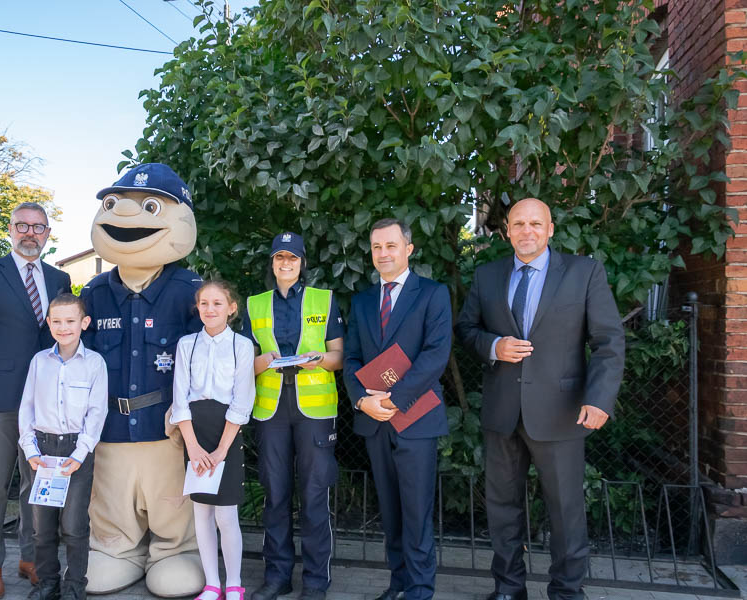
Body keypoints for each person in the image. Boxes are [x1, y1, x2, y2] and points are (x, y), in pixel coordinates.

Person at [455, 198, 625, 600]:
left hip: (561, 412)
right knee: (502, 508)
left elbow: (608, 341)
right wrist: (494, 345)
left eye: (535, 223)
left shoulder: (583, 272)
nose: (526, 230)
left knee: (566, 510)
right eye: (518, 224)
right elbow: (466, 329)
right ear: (506, 231)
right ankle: (509, 588)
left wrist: (600, 399)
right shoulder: (487, 276)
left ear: (550, 229)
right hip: (502, 412)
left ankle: (567, 591)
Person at [80, 163, 205, 596]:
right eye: (115, 205)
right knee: (111, 502)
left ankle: (176, 550)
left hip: (165, 430)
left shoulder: (192, 292)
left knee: (172, 502)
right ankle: (116, 548)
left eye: (150, 207)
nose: (127, 217)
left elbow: (213, 362)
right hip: (109, 429)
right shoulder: (94, 293)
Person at [0, 202, 72, 599]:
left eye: (38, 227)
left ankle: (30, 557)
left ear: (48, 234)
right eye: (22, 225)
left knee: (34, 482)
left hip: (44, 402)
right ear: (10, 229)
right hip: (0, 399)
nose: (30, 233)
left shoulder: (60, 278)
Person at [343, 218, 452, 600]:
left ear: (408, 248)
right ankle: (399, 582)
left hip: (417, 419)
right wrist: (362, 400)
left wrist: (394, 398)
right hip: (375, 421)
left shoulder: (433, 294)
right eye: (376, 247)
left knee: (416, 512)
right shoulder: (360, 301)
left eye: (390, 245)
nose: (383, 254)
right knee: (390, 510)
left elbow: (436, 355)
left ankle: (421, 589)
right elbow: (352, 358)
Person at [242, 232, 344, 600]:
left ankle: (316, 582)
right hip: (270, 409)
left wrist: (318, 360)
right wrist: (261, 363)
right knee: (275, 494)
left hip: (314, 409)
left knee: (315, 495)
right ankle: (277, 577)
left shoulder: (324, 300)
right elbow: (243, 364)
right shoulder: (254, 305)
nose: (286, 263)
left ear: (303, 263)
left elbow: (338, 356)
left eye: (293, 258)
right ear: (271, 262)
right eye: (279, 257)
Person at [18, 293, 108, 600]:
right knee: (42, 527)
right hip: (42, 452)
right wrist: (30, 450)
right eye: (56, 321)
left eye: (70, 321)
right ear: (48, 323)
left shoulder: (95, 364)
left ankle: (74, 586)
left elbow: (97, 413)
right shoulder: (39, 362)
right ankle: (48, 584)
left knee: (73, 525)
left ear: (84, 323)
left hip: (75, 452)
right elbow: (27, 408)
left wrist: (80, 454)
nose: (63, 327)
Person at [169, 281, 255, 600]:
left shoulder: (242, 346)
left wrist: (221, 449)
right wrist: (193, 447)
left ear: (231, 308)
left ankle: (233, 583)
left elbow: (242, 401)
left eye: (217, 303)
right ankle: (212, 585)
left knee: (225, 514)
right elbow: (179, 398)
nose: (210, 309)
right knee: (202, 512)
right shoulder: (187, 344)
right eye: (204, 303)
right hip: (195, 433)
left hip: (226, 436)